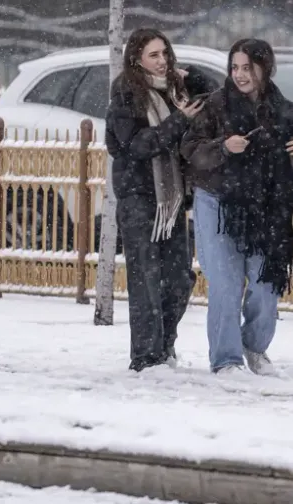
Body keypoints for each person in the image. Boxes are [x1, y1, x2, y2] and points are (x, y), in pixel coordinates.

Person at [180, 39, 293, 375]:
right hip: (219, 203)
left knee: (266, 285)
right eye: (234, 67)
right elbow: (190, 149)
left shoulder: (284, 110)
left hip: (267, 208)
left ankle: (254, 348)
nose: (240, 74)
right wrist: (223, 147)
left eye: (247, 67)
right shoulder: (216, 105)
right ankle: (226, 358)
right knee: (225, 283)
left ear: (264, 68)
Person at [104, 28, 210, 372]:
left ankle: (164, 346)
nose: (162, 61)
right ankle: (146, 357)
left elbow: (212, 94)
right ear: (136, 58)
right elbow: (139, 145)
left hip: (172, 199)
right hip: (139, 198)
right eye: (154, 55)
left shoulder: (175, 89)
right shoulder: (125, 93)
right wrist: (180, 120)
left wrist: (190, 75)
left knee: (179, 278)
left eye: (165, 53)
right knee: (146, 279)